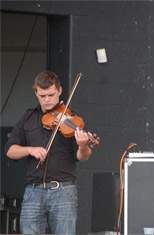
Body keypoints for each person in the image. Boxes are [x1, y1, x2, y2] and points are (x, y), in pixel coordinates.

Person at [5, 71, 92, 234]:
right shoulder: (28, 117)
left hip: (64, 191)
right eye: (42, 95)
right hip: (33, 191)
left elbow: (83, 157)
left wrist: (83, 145)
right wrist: (30, 150)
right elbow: (10, 151)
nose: (46, 100)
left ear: (59, 91)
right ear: (36, 92)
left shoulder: (72, 119)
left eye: (50, 95)